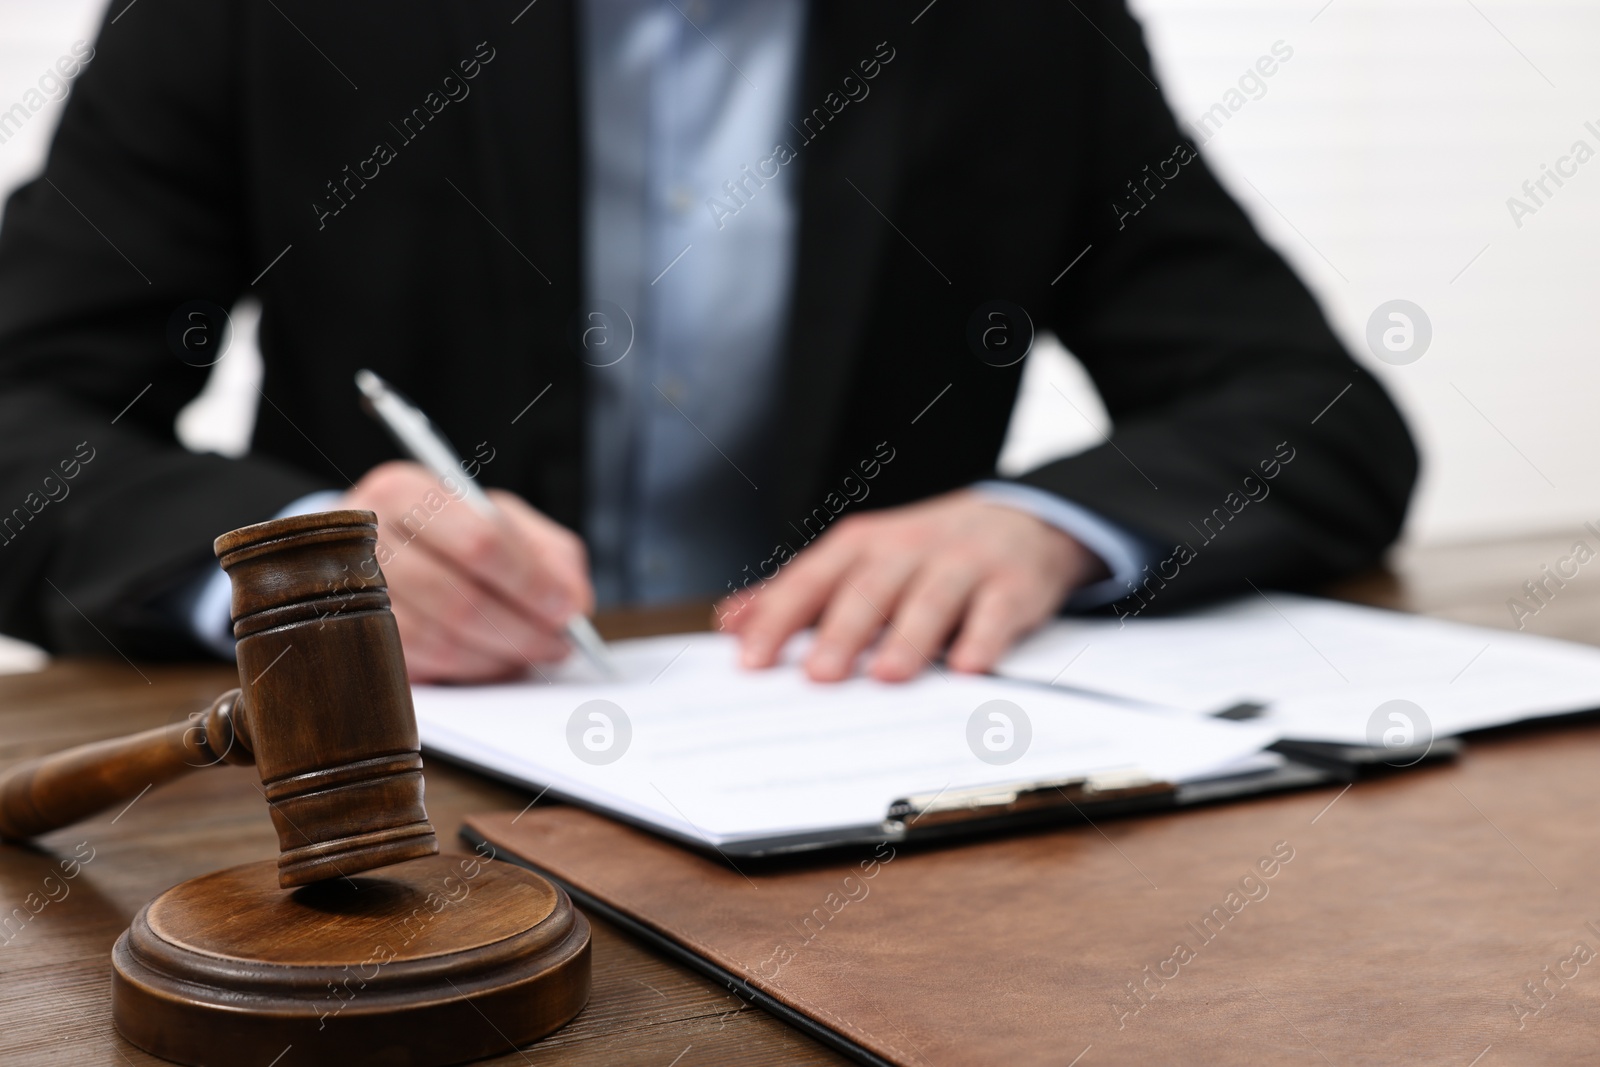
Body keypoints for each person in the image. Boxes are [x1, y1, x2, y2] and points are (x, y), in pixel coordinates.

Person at [0, 0, 1416, 684]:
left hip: (862, 800)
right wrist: (298, 567)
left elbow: (1308, 406)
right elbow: (19, 410)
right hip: (380, 823)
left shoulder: (1016, 28)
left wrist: (1038, 524)